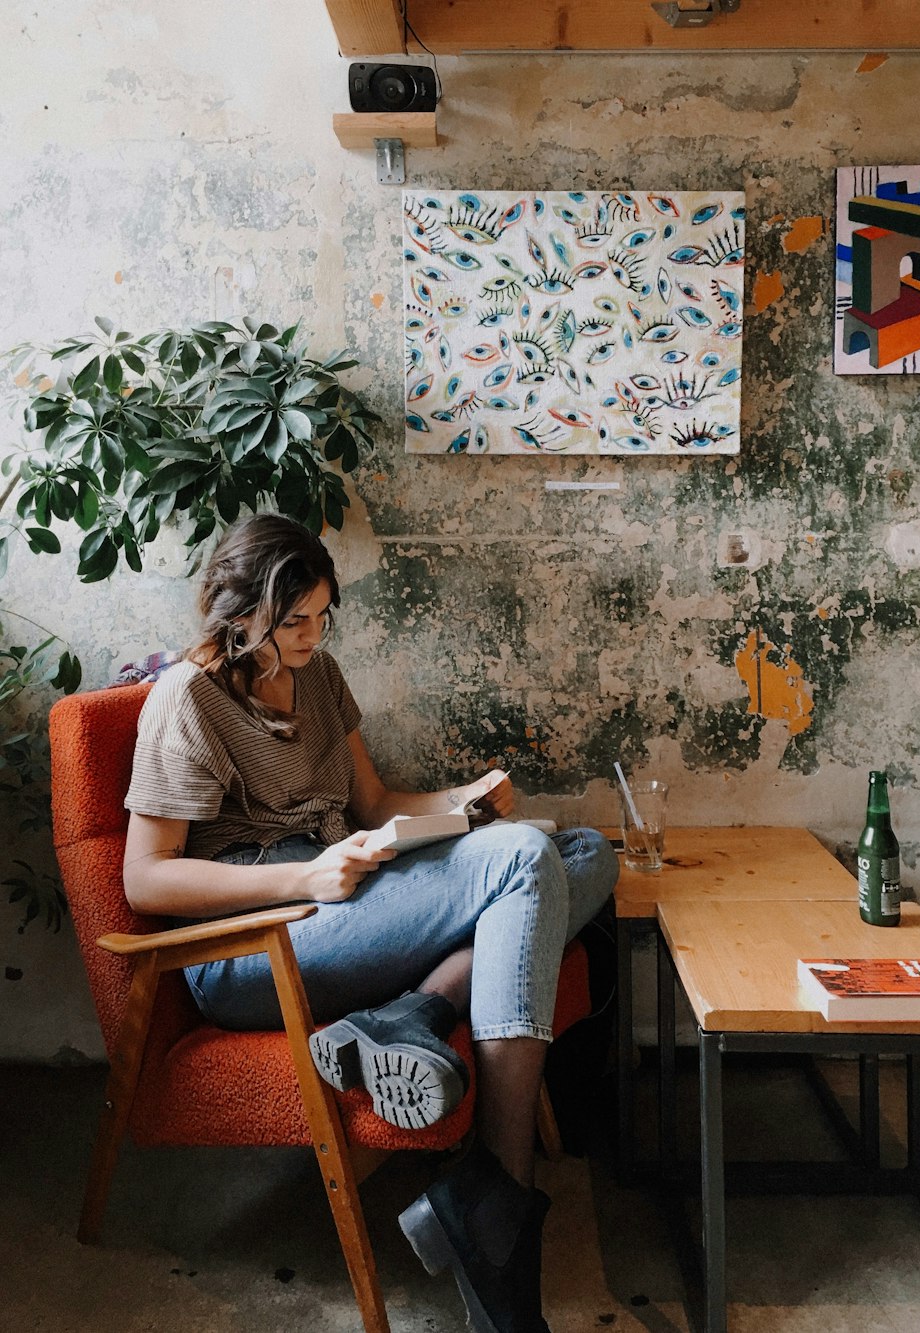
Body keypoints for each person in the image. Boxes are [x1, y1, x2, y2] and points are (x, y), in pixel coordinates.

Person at [122, 512, 619, 1333]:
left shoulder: (318, 675)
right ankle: (495, 1189)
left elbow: (378, 805)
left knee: (583, 850)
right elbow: (146, 878)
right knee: (525, 862)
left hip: (344, 898)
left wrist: (463, 802)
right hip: (257, 943)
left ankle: (410, 1013)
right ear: (237, 613)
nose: (313, 635)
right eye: (294, 621)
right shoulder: (189, 699)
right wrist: (303, 875)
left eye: (322, 616)